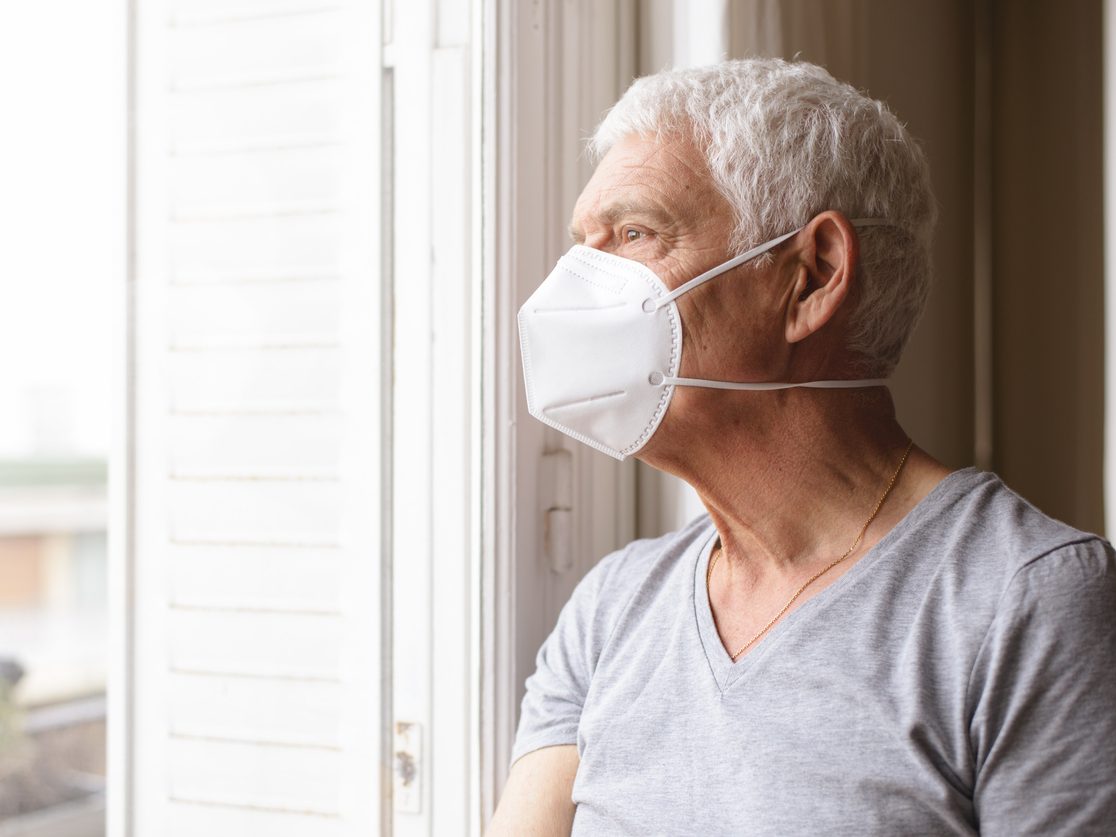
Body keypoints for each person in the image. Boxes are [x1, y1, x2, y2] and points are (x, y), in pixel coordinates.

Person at [489, 58, 1116, 836]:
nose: (574, 291)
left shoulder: (1025, 598)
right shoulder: (611, 609)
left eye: (634, 233)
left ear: (812, 276)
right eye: (586, 244)